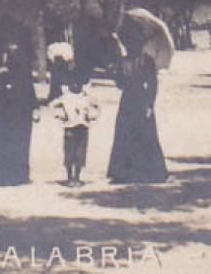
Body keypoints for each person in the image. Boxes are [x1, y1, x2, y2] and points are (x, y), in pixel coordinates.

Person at [107, 51, 168, 183]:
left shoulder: (146, 59)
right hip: (128, 100)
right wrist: (115, 73)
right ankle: (123, 173)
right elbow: (120, 84)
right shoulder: (122, 61)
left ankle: (151, 172)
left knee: (146, 133)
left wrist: (149, 104)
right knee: (125, 133)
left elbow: (153, 82)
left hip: (142, 98)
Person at [0, 44, 38, 185]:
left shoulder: (21, 72)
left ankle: (13, 174)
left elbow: (29, 90)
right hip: (10, 111)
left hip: (15, 111)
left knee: (12, 141)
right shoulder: (6, 71)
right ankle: (6, 174)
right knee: (7, 140)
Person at [50, 77, 99, 186]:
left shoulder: (86, 97)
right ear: (69, 84)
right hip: (70, 127)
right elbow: (52, 106)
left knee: (80, 152)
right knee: (69, 152)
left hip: (83, 127)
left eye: (79, 82)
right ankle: (69, 177)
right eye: (73, 82)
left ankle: (77, 177)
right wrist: (60, 115)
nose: (76, 85)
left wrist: (92, 116)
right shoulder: (65, 97)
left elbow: (97, 107)